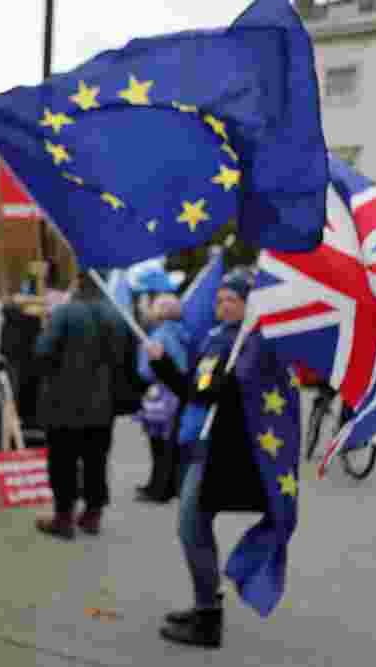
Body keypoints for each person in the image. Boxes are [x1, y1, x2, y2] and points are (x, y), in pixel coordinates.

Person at [145, 267, 284, 648]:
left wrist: (232, 384)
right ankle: (205, 603)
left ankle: (208, 619)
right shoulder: (215, 338)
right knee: (194, 528)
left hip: (218, 451)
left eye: (233, 300)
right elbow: (195, 389)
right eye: (220, 299)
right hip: (194, 444)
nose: (223, 305)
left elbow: (248, 395)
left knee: (190, 528)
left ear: (248, 304)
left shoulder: (254, 343)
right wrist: (161, 363)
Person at [32, 270, 133, 539]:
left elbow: (43, 353)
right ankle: (92, 515)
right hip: (103, 404)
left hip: (63, 402)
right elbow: (126, 360)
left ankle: (63, 518)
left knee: (62, 462)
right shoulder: (116, 315)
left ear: (77, 283)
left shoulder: (64, 313)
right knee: (96, 461)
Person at [134, 293, 188, 503]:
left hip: (160, 394)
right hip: (174, 394)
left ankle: (158, 488)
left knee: (157, 445)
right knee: (168, 444)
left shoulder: (159, 336)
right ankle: (163, 485)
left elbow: (145, 371)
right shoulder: (182, 334)